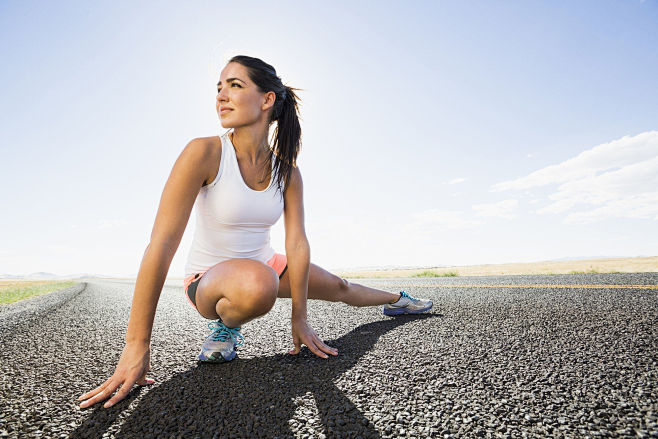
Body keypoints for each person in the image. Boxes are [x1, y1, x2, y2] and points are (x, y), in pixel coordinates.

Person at [77, 55, 433, 409]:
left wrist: (300, 316)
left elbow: (297, 242)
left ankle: (398, 300)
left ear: (266, 100)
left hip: (266, 266)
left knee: (340, 286)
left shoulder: (288, 173)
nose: (221, 96)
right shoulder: (204, 152)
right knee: (258, 282)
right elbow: (161, 244)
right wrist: (137, 346)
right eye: (219, 87)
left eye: (235, 85)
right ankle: (227, 328)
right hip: (208, 280)